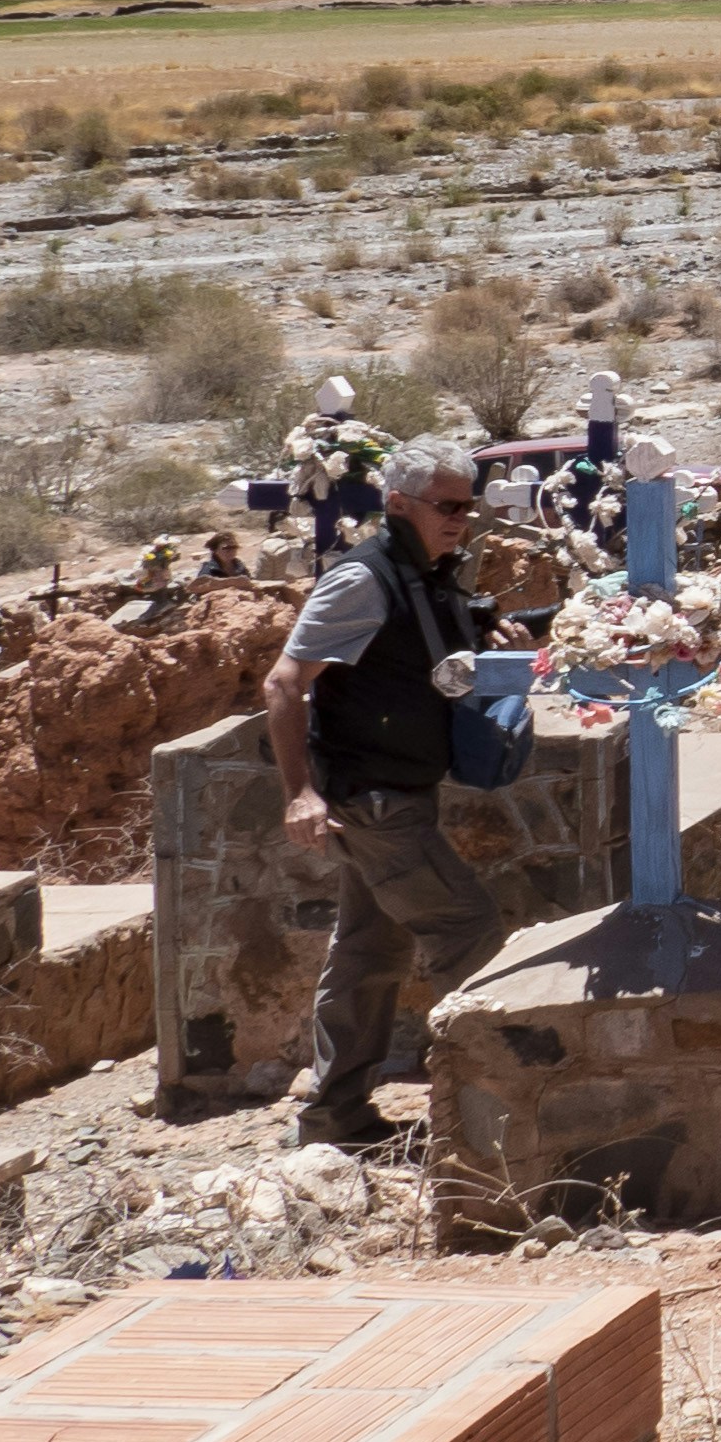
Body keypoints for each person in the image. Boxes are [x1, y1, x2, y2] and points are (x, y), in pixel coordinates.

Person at [260, 432, 502, 1146]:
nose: (461, 516)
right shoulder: (363, 578)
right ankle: (493, 1111)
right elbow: (282, 682)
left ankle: (335, 1119)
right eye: (447, 504)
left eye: (469, 503)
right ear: (399, 504)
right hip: (374, 798)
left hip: (397, 789)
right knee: (470, 931)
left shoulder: (423, 571)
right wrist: (299, 793)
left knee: (369, 953)